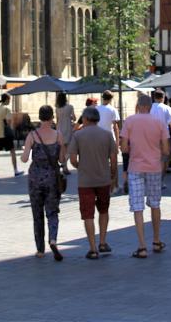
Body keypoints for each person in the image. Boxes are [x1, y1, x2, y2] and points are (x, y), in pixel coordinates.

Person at [120, 93, 170, 259]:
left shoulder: (130, 121)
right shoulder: (160, 122)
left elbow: (124, 147)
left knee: (137, 206)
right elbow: (166, 150)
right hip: (154, 167)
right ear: (150, 107)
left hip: (135, 167)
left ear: (138, 105)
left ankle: (142, 246)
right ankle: (156, 240)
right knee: (155, 204)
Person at [70, 106, 118, 259]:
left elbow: (72, 160)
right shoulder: (107, 135)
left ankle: (92, 248)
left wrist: (80, 166)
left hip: (85, 181)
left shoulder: (78, 135)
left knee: (88, 214)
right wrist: (112, 175)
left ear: (85, 119)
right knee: (103, 210)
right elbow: (114, 160)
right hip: (103, 179)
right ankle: (103, 242)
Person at [21, 105, 65, 260]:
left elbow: (25, 158)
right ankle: (53, 239)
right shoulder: (58, 134)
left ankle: (40, 249)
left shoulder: (32, 136)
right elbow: (62, 159)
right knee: (52, 212)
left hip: (35, 178)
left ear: (39, 117)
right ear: (52, 117)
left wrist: (26, 150)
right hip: (52, 177)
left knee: (37, 214)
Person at [0, 94, 20, 179]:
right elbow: (9, 121)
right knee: (12, 151)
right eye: (9, 100)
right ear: (6, 100)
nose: (9, 102)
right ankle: (16, 170)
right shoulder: (6, 109)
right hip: (5, 134)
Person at [150, 90, 171, 162]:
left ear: (154, 98)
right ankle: (162, 172)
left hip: (151, 135)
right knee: (165, 157)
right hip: (164, 135)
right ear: (163, 98)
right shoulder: (167, 108)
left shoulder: (149, 108)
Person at [55, 93, 76, 174]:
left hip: (59, 128)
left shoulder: (57, 108)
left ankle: (64, 165)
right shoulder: (70, 107)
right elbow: (74, 118)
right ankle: (64, 165)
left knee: (62, 148)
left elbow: (57, 119)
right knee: (69, 148)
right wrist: (69, 117)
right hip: (67, 127)